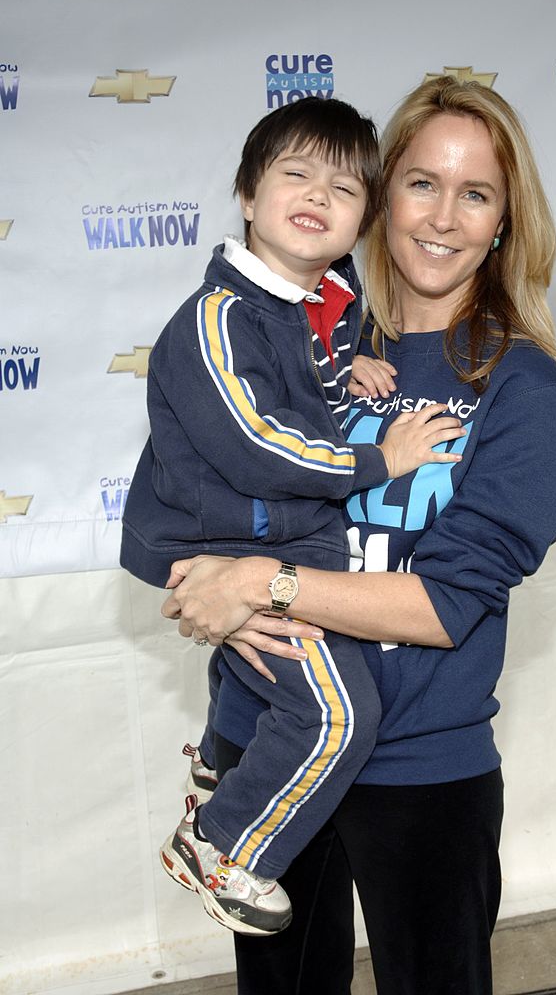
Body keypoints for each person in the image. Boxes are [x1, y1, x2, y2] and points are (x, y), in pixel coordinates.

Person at [161, 76, 556, 995]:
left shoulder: (524, 391)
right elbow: (199, 487)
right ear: (375, 195)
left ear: (505, 221)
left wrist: (261, 585)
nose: (442, 217)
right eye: (420, 184)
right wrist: (218, 590)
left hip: (419, 764)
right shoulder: (300, 341)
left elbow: (445, 605)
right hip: (272, 741)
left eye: (475, 193)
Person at [120, 96, 466, 936]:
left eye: (345, 188)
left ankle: (218, 772)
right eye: (295, 174)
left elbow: (296, 381)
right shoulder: (218, 316)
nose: (318, 194)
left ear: (363, 221)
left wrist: (348, 376)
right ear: (246, 192)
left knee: (299, 683)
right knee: (340, 713)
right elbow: (258, 445)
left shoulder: (318, 306)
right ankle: (221, 840)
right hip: (233, 539)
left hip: (269, 546)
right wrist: (383, 458)